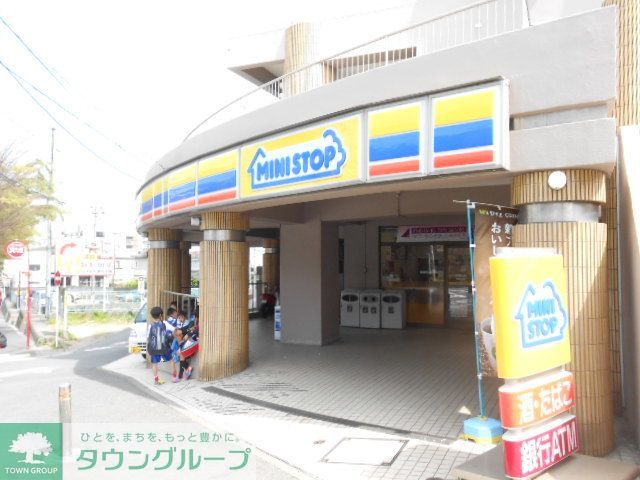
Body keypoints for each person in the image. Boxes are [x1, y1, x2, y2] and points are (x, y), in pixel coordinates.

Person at [147, 306, 171, 385]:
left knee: (155, 364)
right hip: (163, 348)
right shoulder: (164, 323)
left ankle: (156, 380)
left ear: (152, 316)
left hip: (154, 349)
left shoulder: (150, 326)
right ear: (161, 315)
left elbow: (148, 337)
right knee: (172, 358)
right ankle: (175, 375)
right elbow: (173, 329)